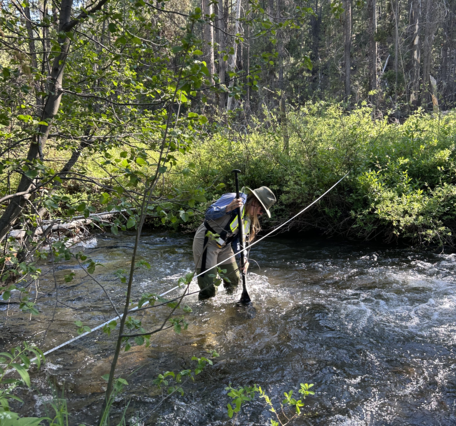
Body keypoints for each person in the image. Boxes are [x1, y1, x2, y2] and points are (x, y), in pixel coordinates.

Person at [193, 186, 276, 300]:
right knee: (208, 286)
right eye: (262, 210)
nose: (261, 214)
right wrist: (227, 208)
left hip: (224, 244)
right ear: (255, 202)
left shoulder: (248, 217)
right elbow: (208, 214)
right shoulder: (233, 198)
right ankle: (205, 310)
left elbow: (238, 240)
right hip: (207, 240)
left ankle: (229, 305)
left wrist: (243, 258)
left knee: (233, 280)